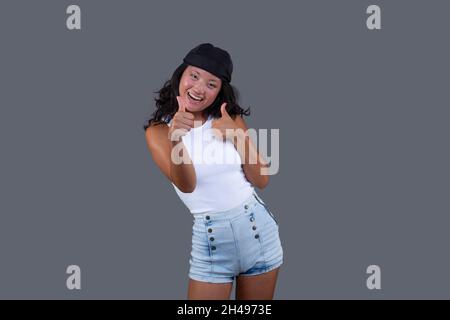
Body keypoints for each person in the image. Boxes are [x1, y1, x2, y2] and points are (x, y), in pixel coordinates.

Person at [143, 43, 283, 300]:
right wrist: (176, 139)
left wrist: (236, 135)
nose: (198, 88)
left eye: (211, 83)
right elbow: (187, 185)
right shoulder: (158, 132)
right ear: (181, 75)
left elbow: (262, 179)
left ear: (219, 91)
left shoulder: (227, 118)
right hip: (211, 243)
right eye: (194, 76)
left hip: (258, 233)